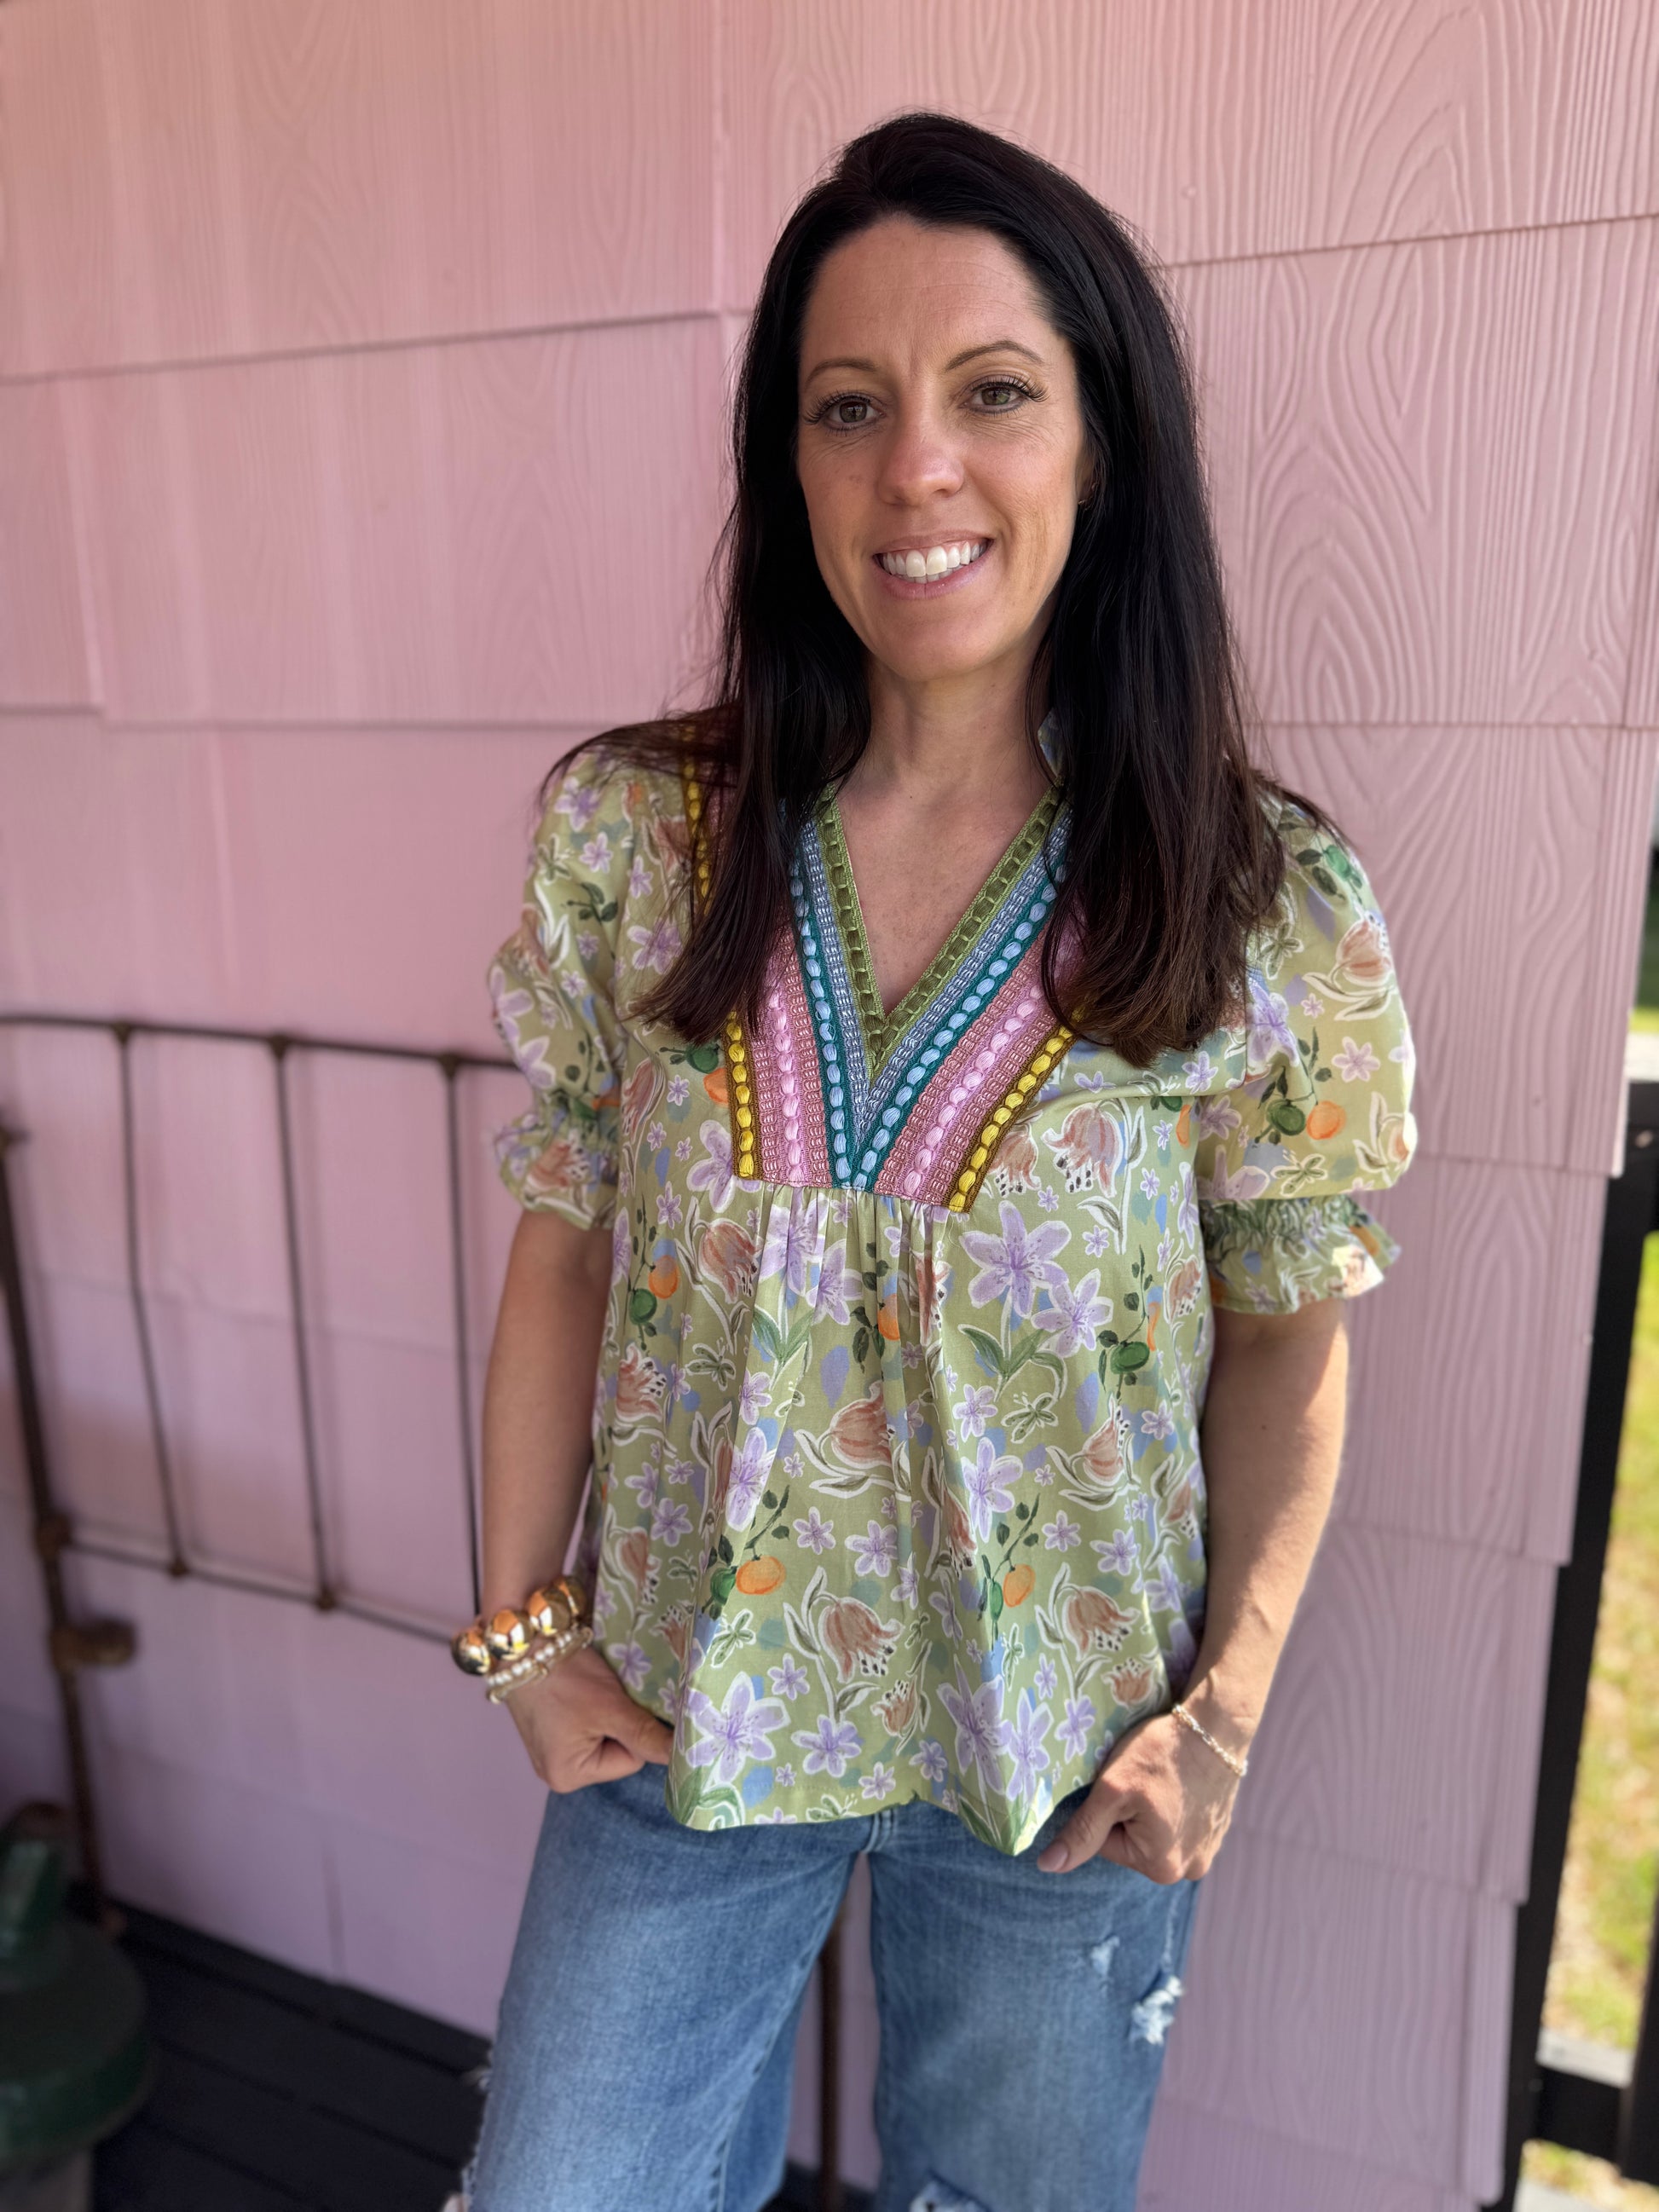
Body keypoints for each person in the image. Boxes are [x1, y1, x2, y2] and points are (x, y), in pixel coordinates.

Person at [451, 110, 1417, 2212]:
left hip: (1062, 1769)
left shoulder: (1256, 904)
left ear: (1103, 447)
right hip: (683, 1724)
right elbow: (559, 1248)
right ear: (787, 465)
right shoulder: (641, 840)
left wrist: (1223, 1711)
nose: (918, 470)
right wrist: (525, 1632)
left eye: (993, 394)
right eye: (848, 406)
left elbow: (1288, 1338)